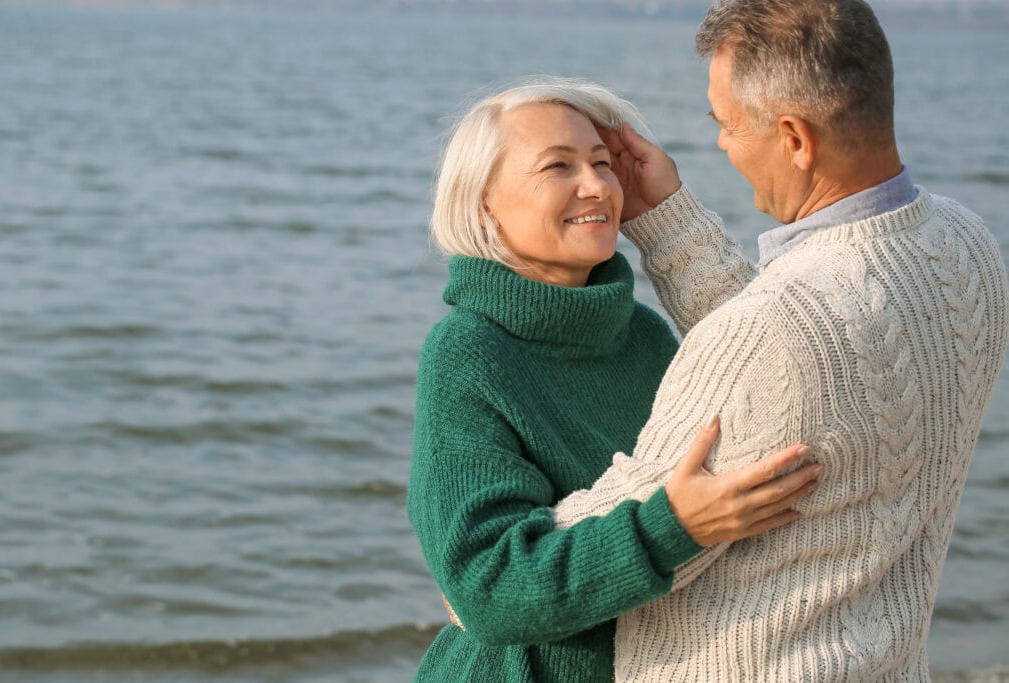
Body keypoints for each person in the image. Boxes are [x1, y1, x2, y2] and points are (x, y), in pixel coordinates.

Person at [551, 1, 1009, 680]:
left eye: (727, 125)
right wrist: (668, 220)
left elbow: (584, 556)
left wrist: (473, 582)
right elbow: (818, 355)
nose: (721, 145)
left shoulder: (775, 329)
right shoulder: (969, 243)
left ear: (795, 138)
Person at [407, 78, 823, 681]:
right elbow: (487, 588)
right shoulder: (467, 353)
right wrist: (672, 527)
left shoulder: (644, 334)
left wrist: (666, 210)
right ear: (484, 204)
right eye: (558, 166)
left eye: (603, 163)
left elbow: (778, 369)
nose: (598, 184)